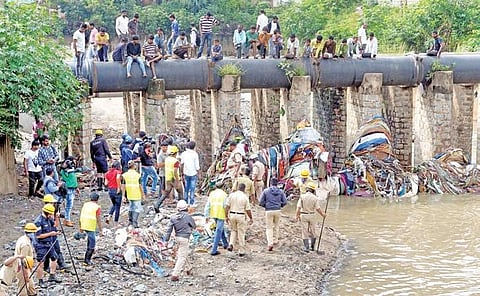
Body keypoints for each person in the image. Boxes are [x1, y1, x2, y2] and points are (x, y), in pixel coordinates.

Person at [163, 200, 196, 281]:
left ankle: (189, 269)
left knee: (183, 253)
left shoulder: (173, 217)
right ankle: (175, 274)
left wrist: (166, 241)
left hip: (177, 237)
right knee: (182, 256)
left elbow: (168, 230)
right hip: (185, 238)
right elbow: (194, 226)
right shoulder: (188, 217)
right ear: (186, 208)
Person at [34, 204, 62, 288]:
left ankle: (52, 276)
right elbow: (38, 236)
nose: (51, 216)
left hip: (49, 243)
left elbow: (55, 225)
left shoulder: (48, 219)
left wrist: (57, 218)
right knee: (40, 263)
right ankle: (40, 280)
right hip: (41, 245)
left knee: (54, 257)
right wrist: (51, 234)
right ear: (46, 212)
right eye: (50, 214)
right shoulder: (38, 221)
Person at [295, 182, 326, 252]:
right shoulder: (315, 198)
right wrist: (323, 214)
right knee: (313, 231)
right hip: (312, 215)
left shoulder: (302, 197)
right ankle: (312, 247)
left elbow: (298, 208)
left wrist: (297, 216)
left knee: (305, 232)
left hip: (303, 215)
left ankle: (306, 248)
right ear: (313, 190)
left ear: (307, 189)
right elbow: (318, 209)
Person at [225, 183, 253, 256]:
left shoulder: (232, 195)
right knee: (241, 233)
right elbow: (248, 209)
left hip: (232, 214)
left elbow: (227, 206)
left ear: (238, 188)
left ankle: (231, 244)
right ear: (244, 189)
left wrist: (226, 216)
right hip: (241, 215)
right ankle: (241, 250)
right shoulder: (245, 197)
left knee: (233, 230)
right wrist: (251, 218)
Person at [259, 178, 287, 252]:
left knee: (269, 227)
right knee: (276, 226)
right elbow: (285, 201)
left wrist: (266, 206)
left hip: (269, 210)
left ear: (270, 183)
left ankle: (270, 243)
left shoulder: (266, 191)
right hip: (277, 210)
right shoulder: (281, 191)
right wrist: (280, 206)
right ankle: (275, 240)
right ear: (277, 184)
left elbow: (261, 202)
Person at [154, 145, 183, 212]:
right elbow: (175, 171)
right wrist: (177, 180)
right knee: (180, 193)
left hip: (168, 178)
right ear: (175, 153)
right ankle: (182, 208)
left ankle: (157, 205)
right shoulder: (176, 161)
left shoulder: (167, 159)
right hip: (174, 179)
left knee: (166, 192)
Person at [204, 181, 229, 256]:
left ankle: (225, 244)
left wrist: (206, 215)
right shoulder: (224, 195)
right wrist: (227, 215)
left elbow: (208, 205)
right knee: (218, 231)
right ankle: (214, 250)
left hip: (214, 213)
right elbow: (225, 206)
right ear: (223, 187)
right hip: (221, 214)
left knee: (220, 230)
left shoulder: (212, 193)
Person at [13, 223, 37, 296]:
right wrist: (26, 274)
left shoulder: (22, 238)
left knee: (31, 287)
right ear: (31, 233)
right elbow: (24, 261)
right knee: (23, 289)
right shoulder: (25, 244)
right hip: (22, 269)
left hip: (24, 267)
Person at [79, 192, 103, 265]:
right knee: (92, 243)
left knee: (89, 241)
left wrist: (80, 226)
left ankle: (87, 258)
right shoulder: (97, 207)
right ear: (97, 199)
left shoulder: (85, 204)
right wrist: (101, 229)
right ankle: (87, 259)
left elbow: (81, 215)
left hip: (83, 223)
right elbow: (98, 219)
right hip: (90, 225)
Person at [121, 160, 146, 228]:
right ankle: (134, 223)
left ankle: (130, 221)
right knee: (137, 208)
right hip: (136, 194)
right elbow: (140, 186)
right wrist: (143, 195)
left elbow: (123, 186)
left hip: (129, 194)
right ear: (134, 166)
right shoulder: (138, 175)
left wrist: (123, 196)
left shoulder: (125, 175)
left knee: (131, 207)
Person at [59, 156, 79, 227]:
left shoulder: (71, 170)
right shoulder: (65, 171)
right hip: (68, 189)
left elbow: (73, 179)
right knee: (68, 206)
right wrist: (64, 166)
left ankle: (67, 219)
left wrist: (76, 187)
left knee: (70, 205)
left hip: (72, 188)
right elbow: (64, 176)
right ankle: (67, 220)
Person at [181, 141, 200, 206]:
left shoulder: (184, 154)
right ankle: (191, 202)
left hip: (186, 173)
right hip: (193, 173)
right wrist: (198, 171)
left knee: (186, 188)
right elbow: (197, 166)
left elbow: (182, 163)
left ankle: (185, 202)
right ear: (194, 147)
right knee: (192, 189)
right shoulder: (195, 154)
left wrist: (181, 173)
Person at [105, 161, 122, 226]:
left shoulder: (107, 173)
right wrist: (118, 188)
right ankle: (116, 222)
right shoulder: (118, 172)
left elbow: (106, 183)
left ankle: (109, 216)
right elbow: (118, 178)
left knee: (114, 204)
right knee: (117, 206)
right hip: (116, 190)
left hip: (110, 190)